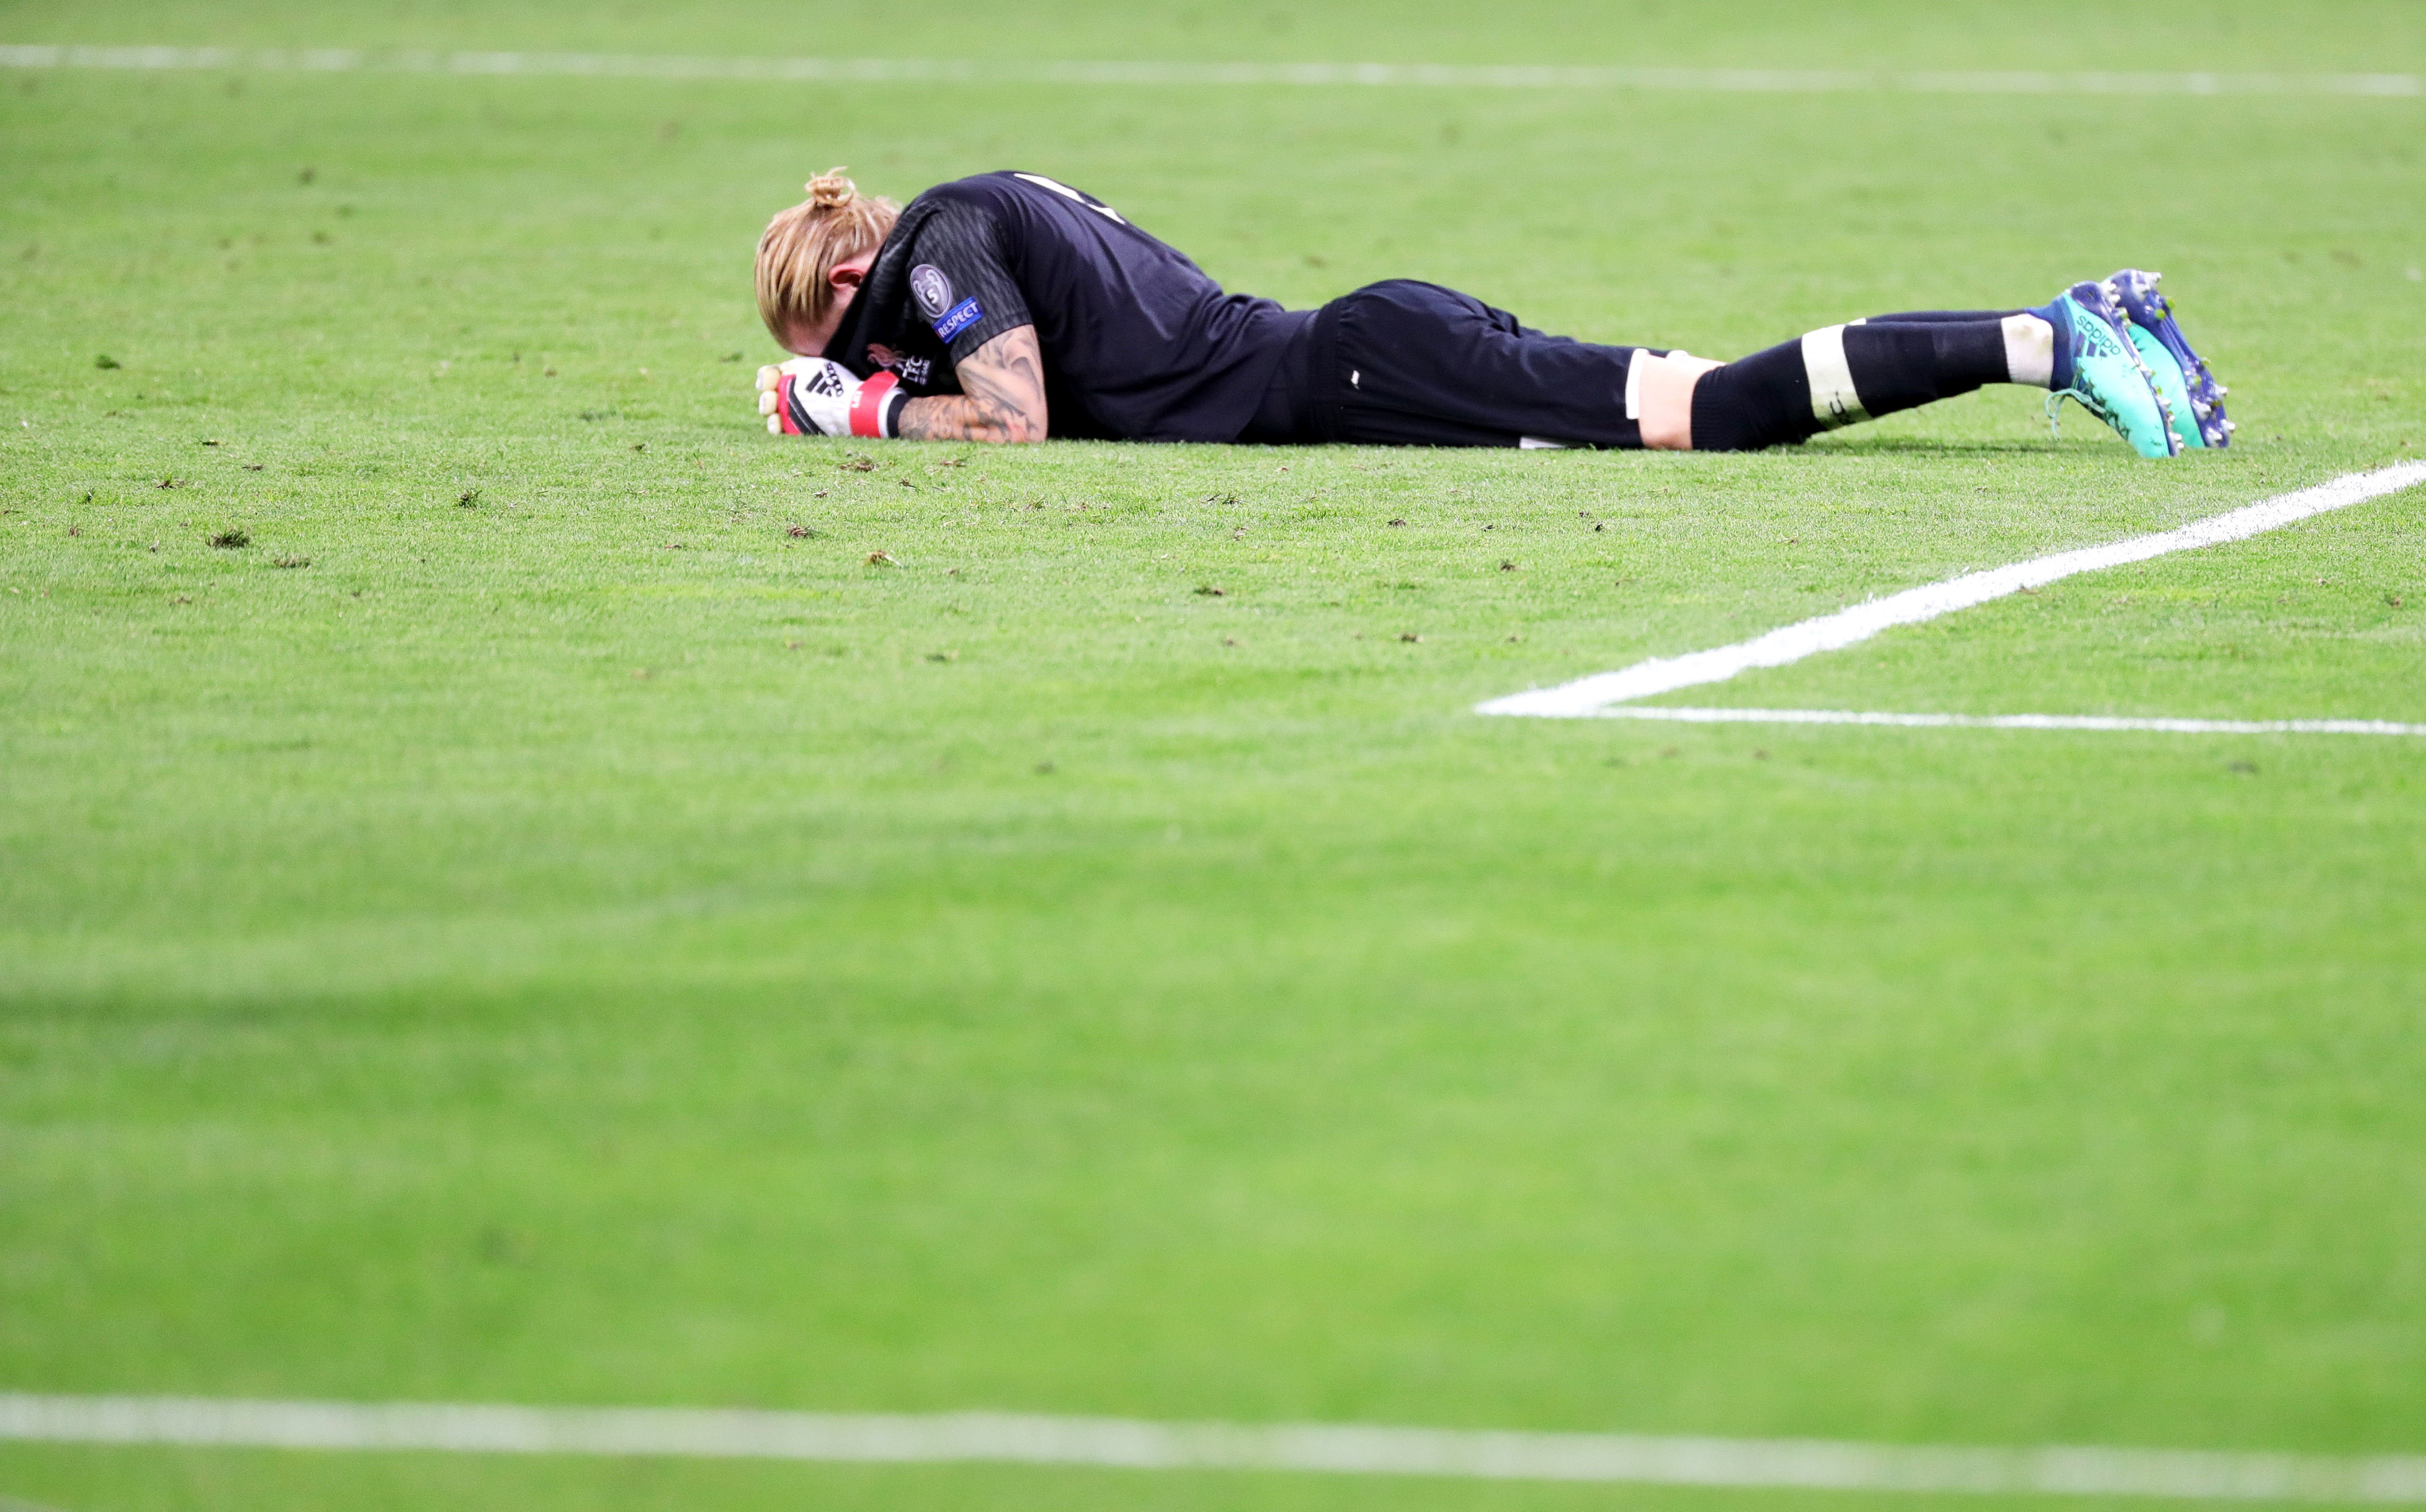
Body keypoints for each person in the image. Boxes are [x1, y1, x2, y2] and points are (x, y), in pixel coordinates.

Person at [753, 168, 2229, 459]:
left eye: (845, 339)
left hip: (1354, 367)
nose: (881, 352)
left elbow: (1013, 417)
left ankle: (2049, 342)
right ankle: (2079, 321)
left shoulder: (937, 244)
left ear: (840, 282)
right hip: (1362, 349)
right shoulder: (971, 213)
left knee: (1707, 417)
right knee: (1703, 393)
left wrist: (869, 411)